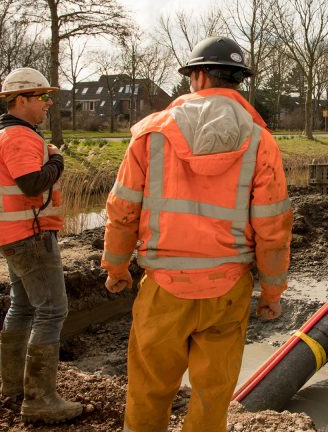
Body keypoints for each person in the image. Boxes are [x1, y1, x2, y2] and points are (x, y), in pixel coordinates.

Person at [101, 36, 293, 432]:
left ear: (199, 75)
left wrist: (117, 266)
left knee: (148, 390)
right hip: (227, 289)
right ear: (237, 80)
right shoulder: (260, 141)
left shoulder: (150, 135)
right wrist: (272, 292)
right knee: (212, 397)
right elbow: (273, 227)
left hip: (163, 289)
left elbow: (122, 211)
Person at [0, 67, 82, 424]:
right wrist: (57, 160)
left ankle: (13, 387)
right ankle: (40, 398)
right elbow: (31, 184)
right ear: (21, 100)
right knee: (52, 310)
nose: (47, 105)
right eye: (41, 98)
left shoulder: (2, 134)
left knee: (22, 308)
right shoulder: (20, 137)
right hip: (31, 235)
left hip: (12, 234)